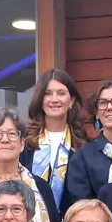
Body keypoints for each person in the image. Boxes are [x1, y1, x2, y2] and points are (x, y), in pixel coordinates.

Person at [20, 69, 91, 207]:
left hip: (70, 218)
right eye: (47, 94)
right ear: (40, 100)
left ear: (71, 100)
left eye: (61, 93)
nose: (54, 99)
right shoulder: (25, 143)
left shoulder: (82, 145)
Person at [63, 79, 112, 207]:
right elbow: (82, 206)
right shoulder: (82, 158)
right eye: (103, 103)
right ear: (96, 112)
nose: (110, 107)